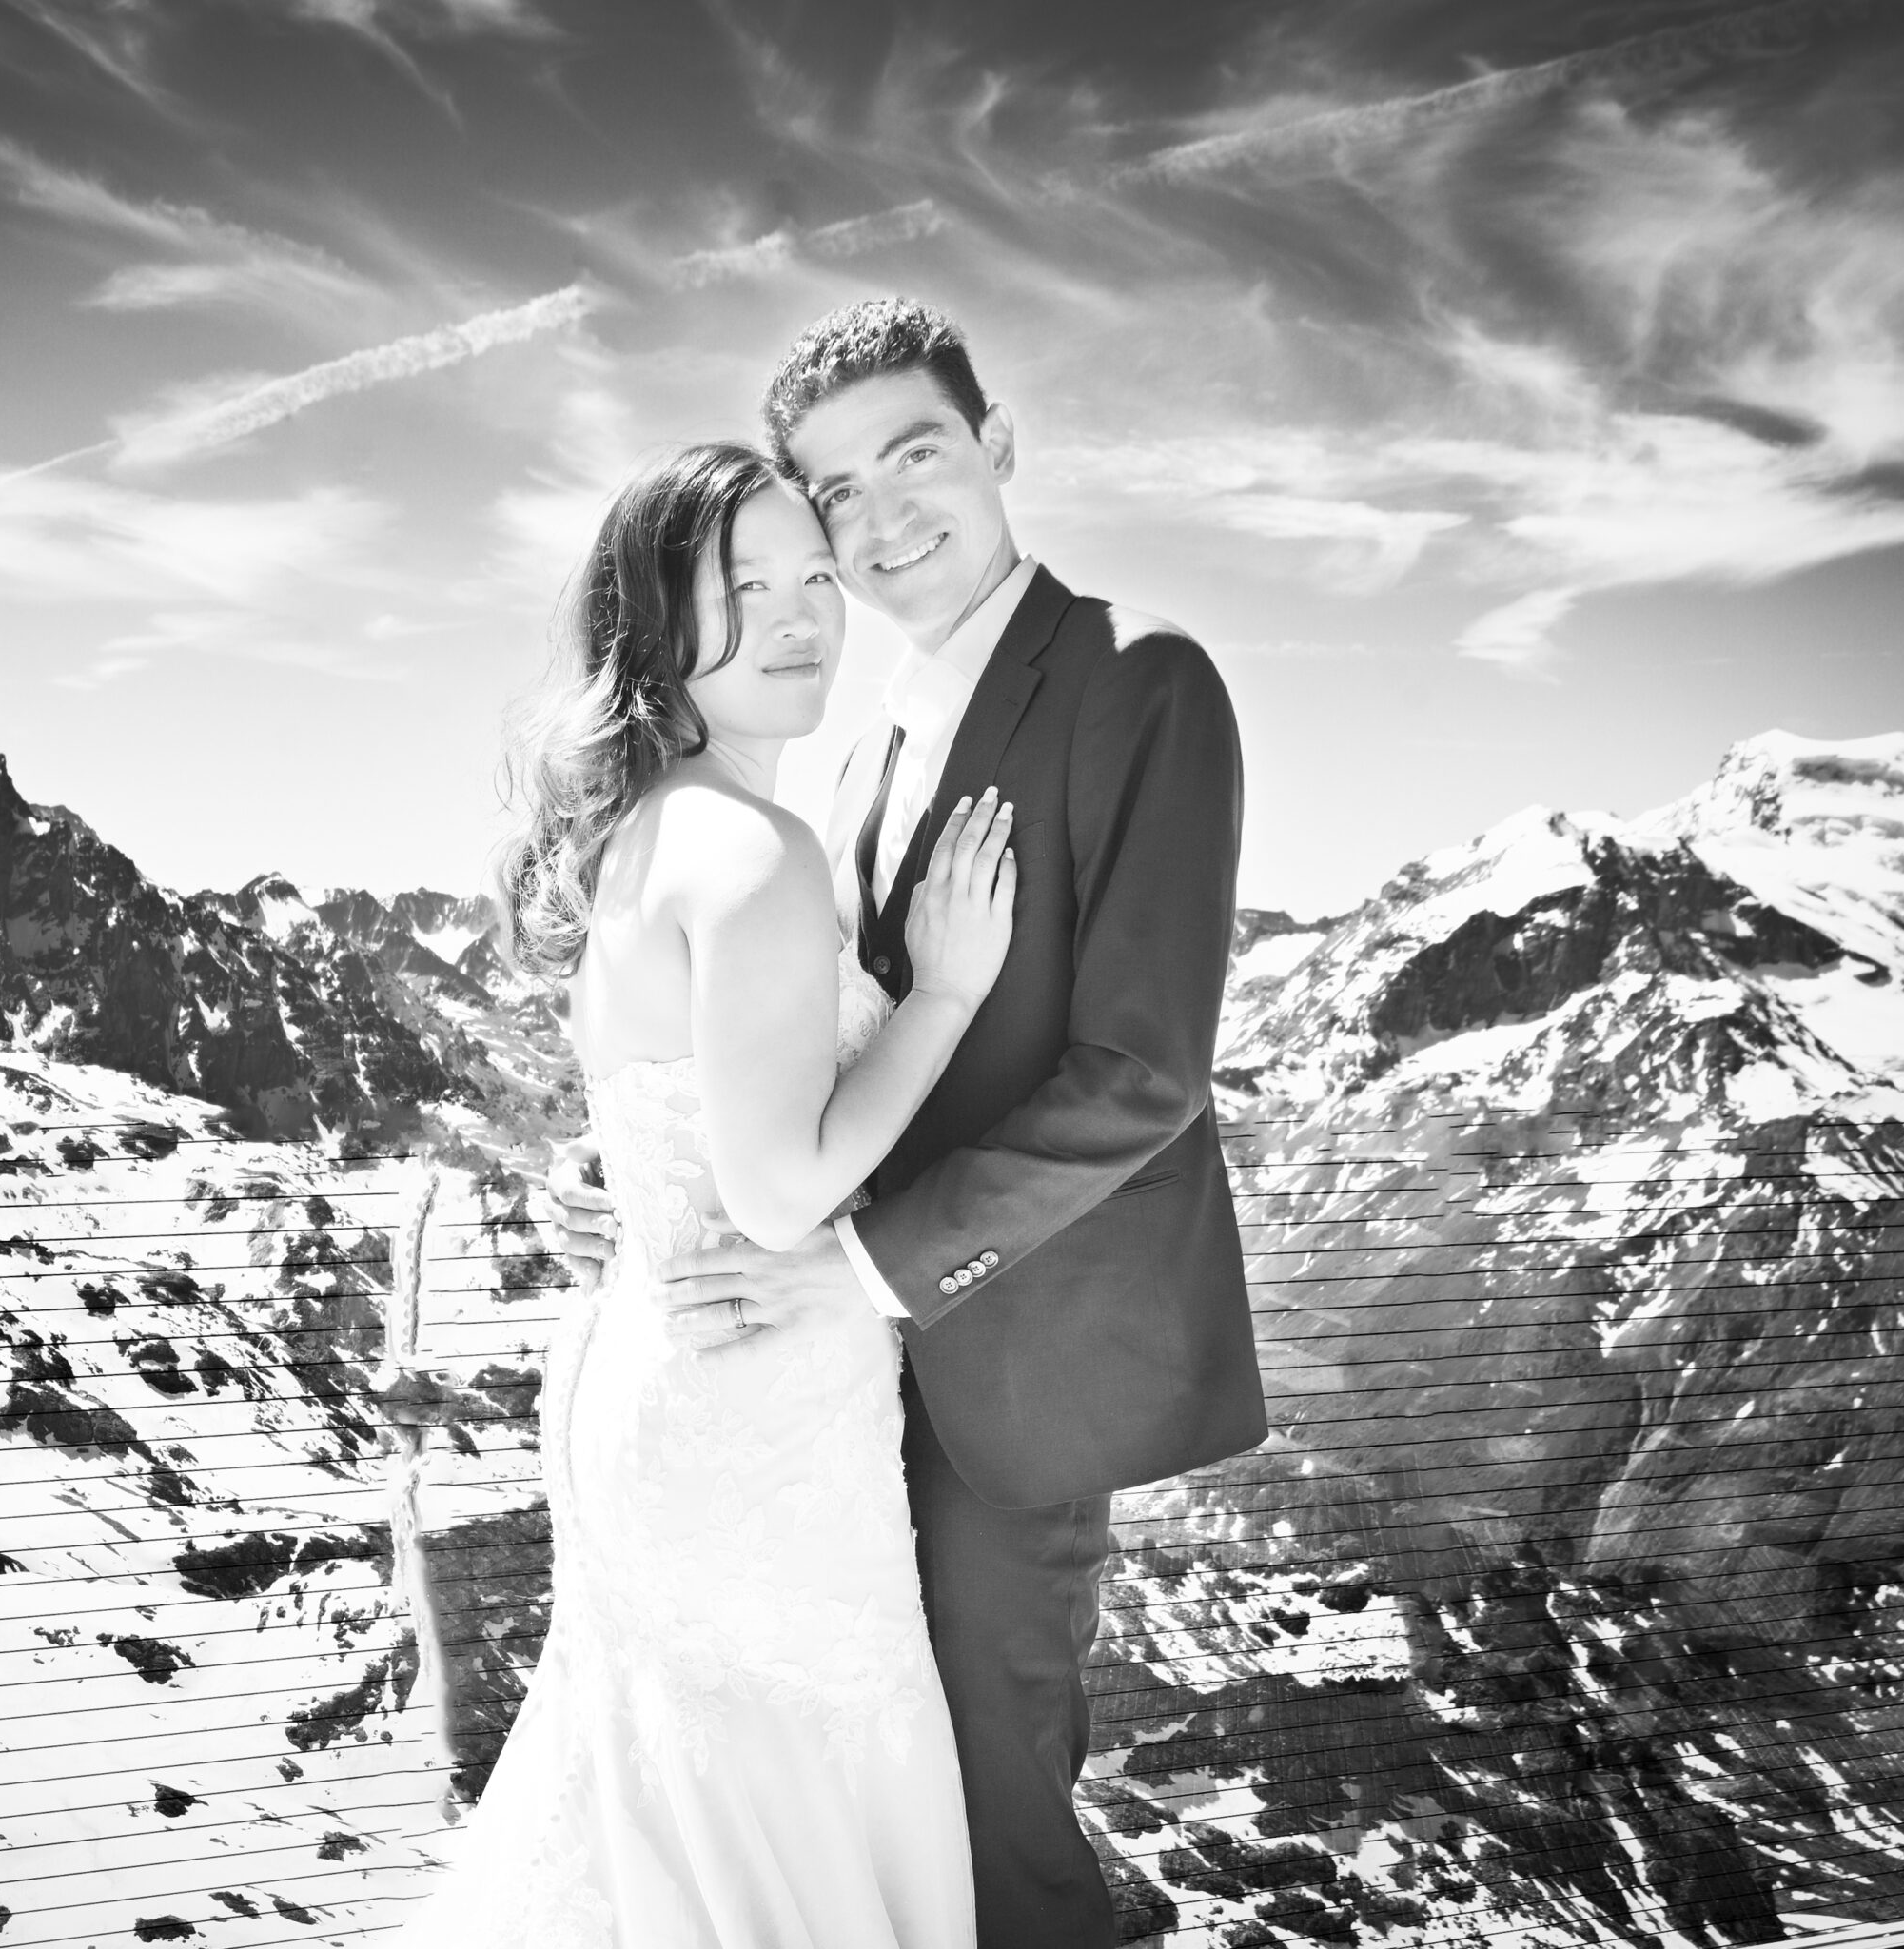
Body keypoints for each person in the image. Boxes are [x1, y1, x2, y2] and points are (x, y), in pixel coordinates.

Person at [549, 299, 1268, 1946]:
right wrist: (652, 1180)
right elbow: (798, 1052)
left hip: (1003, 1367)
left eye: (916, 454)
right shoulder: (859, 740)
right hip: (840, 1398)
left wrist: (861, 1270)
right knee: (894, 1842)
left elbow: (1144, 1076)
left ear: (998, 446)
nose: (879, 521)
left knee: (998, 1835)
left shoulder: (1139, 679)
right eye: (835, 494)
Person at [403, 439, 1015, 1947]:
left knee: (674, 1840)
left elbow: (670, 1111)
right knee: (792, 1834)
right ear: (661, 624)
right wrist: (946, 995)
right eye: (749, 587)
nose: (804, 617)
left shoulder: (647, 830)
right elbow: (783, 1188)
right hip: (755, 1422)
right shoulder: (754, 849)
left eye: (818, 576)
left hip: (664, 1384)